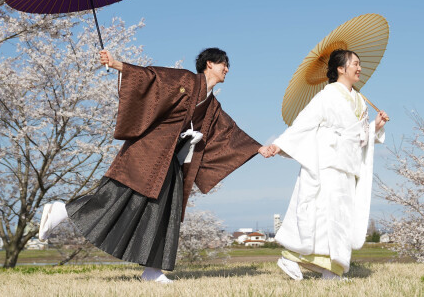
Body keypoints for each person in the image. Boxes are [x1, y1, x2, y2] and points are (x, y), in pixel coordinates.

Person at [39, 47, 274, 284]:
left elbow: (229, 131)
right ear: (210, 64)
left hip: (170, 160)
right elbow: (152, 78)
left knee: (164, 211)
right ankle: (62, 210)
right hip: (149, 150)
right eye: (224, 63)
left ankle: (152, 270)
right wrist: (117, 63)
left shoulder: (212, 105)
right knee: (118, 196)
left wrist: (257, 148)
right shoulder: (185, 80)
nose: (227, 69)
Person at [268, 49, 389, 281]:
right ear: (340, 69)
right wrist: (279, 145)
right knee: (321, 215)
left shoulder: (360, 101)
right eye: (354, 63)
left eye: (360, 64)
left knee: (341, 218)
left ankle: (332, 268)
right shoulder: (326, 96)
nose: (359, 68)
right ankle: (291, 257)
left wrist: (375, 125)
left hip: (348, 165)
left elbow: (360, 138)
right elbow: (303, 124)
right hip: (327, 162)